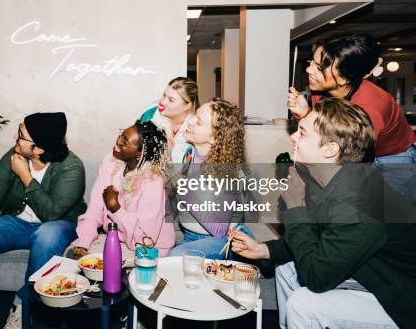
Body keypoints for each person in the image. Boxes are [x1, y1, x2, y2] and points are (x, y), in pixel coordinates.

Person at [232, 98, 416, 328]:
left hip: (401, 298)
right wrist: (266, 250)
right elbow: (318, 238)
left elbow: (316, 277)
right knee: (285, 270)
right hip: (371, 274)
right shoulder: (324, 179)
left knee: (304, 304)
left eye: (303, 133)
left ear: (330, 149)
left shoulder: (358, 205)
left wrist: (295, 207)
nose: (293, 137)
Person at [0, 112, 86, 328]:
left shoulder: (71, 167)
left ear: (39, 149)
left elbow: (51, 214)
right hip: (18, 223)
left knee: (47, 233)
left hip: (60, 225)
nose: (15, 139)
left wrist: (26, 176)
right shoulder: (14, 156)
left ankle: (23, 304)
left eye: (21, 136)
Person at [287, 34, 415, 198]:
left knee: (385, 212)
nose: (308, 70)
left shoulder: (369, 108)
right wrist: (304, 114)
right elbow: (324, 130)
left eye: (319, 68)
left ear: (343, 78)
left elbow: (347, 154)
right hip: (358, 150)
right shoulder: (319, 89)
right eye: (312, 62)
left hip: (393, 158)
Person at [70, 120, 175, 257]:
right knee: (73, 256)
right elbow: (93, 211)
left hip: (146, 250)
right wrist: (83, 243)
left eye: (125, 142)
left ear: (140, 153)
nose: (117, 142)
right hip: (114, 240)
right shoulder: (110, 162)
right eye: (121, 135)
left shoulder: (154, 181)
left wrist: (115, 208)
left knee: (108, 268)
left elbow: (145, 239)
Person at [168, 98, 252, 258]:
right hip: (190, 235)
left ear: (213, 137)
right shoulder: (187, 155)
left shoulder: (229, 171)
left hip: (224, 240)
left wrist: (182, 186)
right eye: (194, 115)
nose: (190, 121)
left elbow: (219, 229)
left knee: (176, 257)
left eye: (198, 122)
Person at [141, 77, 199, 164]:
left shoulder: (198, 127)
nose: (163, 102)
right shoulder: (150, 115)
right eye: (164, 95)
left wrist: (174, 151)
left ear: (186, 106)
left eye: (171, 100)